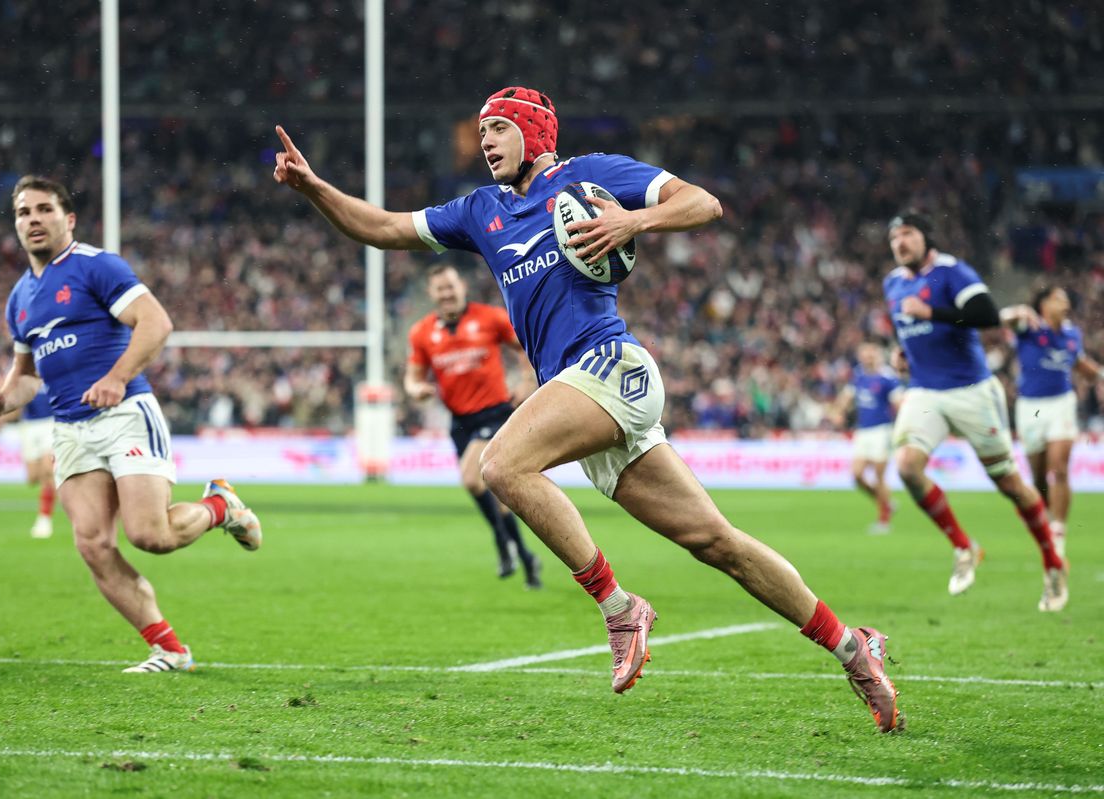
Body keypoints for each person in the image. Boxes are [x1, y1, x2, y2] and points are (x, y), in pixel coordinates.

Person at [272, 87, 902, 733]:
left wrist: (633, 221)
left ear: (534, 133)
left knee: (502, 466)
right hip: (578, 390)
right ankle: (853, 647)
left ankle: (619, 605)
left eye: (497, 128)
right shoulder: (480, 210)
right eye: (481, 131)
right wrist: (315, 187)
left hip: (610, 364)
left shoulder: (593, 173)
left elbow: (701, 202)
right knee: (716, 542)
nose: (485, 141)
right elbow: (383, 227)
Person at [0, 175, 263, 673]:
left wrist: (116, 377)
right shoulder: (20, 297)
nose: (33, 220)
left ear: (68, 219)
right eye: (23, 213)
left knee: (150, 536)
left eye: (44, 210)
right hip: (70, 428)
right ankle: (170, 650)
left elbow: (156, 323)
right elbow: (25, 376)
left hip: (125, 414)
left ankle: (221, 505)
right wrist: (1, 401)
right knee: (92, 543)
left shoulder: (95, 266)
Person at [883, 211, 1067, 611]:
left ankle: (1053, 563)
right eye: (894, 237)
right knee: (907, 466)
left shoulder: (952, 272)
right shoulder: (893, 283)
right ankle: (964, 547)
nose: (899, 242)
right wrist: (901, 353)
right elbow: (907, 330)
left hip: (971, 391)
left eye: (908, 234)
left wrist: (933, 313)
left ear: (925, 238)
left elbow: (986, 316)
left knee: (1010, 485)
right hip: (924, 391)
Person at [405, 264, 541, 588]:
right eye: (440, 289)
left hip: (495, 414)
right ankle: (524, 557)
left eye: (451, 286)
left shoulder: (490, 318)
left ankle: (501, 542)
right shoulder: (422, 333)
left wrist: (526, 380)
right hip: (460, 422)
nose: (447, 294)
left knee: (471, 478)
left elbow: (524, 345)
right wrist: (416, 390)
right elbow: (412, 376)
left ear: (461, 286)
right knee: (499, 497)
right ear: (431, 294)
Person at [1001, 286, 1103, 559]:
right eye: (1058, 298)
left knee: (1059, 467)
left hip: (1061, 403)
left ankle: (1058, 530)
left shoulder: (1072, 333)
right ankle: (1041, 511)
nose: (1065, 302)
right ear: (1043, 304)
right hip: (1031, 408)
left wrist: (1101, 375)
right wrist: (1017, 311)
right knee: (1037, 477)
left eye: (1066, 298)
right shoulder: (1029, 326)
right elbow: (1002, 319)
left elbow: (1079, 363)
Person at [830, 342, 903, 534]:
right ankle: (886, 503)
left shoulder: (887, 378)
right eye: (865, 354)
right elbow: (846, 397)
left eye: (871, 354)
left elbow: (898, 404)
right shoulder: (859, 376)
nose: (868, 358)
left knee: (879, 476)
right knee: (857, 475)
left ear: (878, 356)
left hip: (882, 431)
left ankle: (884, 519)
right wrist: (838, 411)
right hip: (863, 431)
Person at [19, 382, 57, 538]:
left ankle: (44, 518)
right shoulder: (24, 370)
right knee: (33, 478)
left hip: (50, 422)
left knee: (48, 470)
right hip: (29, 425)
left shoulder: (51, 365)